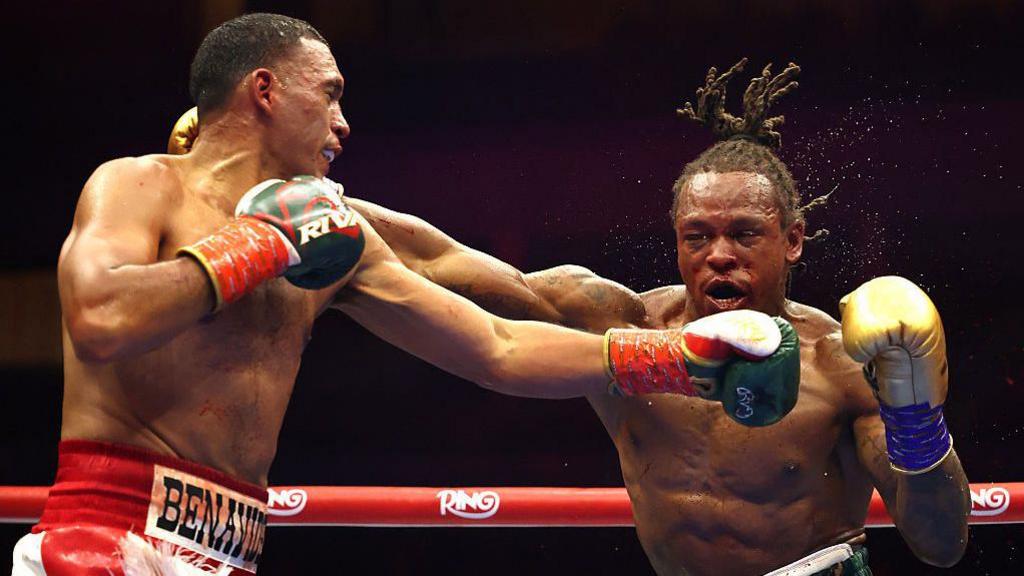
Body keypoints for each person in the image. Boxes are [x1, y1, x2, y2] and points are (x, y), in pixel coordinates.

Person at [11, 16, 802, 576]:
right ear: (265, 90)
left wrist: (676, 358)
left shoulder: (339, 241)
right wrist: (258, 246)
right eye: (330, 93)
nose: (344, 122)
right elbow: (100, 317)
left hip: (229, 548)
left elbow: (497, 346)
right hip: (102, 535)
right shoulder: (140, 184)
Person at [176, 59, 965, 575]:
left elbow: (940, 541)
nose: (720, 254)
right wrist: (304, 197)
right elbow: (450, 264)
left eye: (745, 234)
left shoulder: (840, 363)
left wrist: (914, 413)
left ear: (792, 241)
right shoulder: (617, 323)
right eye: (699, 236)